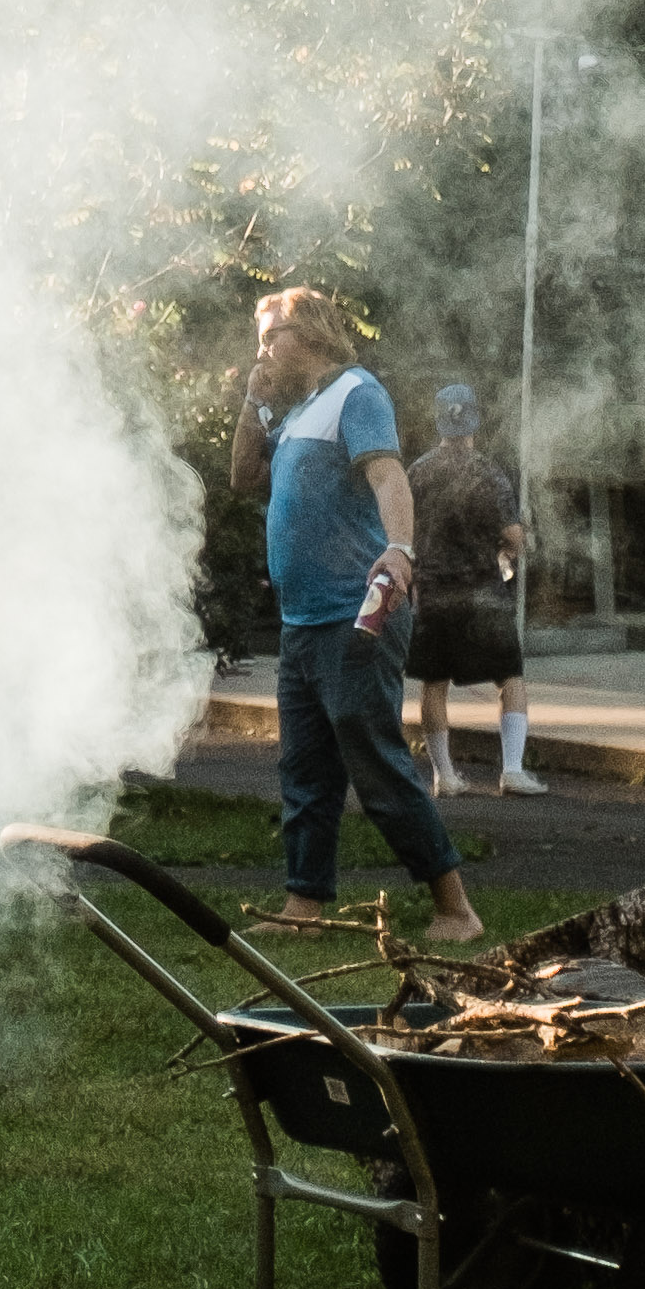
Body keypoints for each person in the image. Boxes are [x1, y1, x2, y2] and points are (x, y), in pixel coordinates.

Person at [225, 286, 487, 949]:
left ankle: (455, 909)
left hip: (355, 613)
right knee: (305, 771)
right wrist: (254, 401)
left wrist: (399, 551)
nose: (262, 351)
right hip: (303, 621)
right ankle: (302, 905)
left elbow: (387, 478)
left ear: (306, 332)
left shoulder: (355, 393)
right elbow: (240, 476)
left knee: (374, 763)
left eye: (269, 338)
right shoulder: (298, 412)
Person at [407, 379, 543, 803]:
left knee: (433, 683)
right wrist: (519, 545)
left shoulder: (417, 472)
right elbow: (513, 536)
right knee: (511, 678)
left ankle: (445, 775)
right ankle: (513, 771)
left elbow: (401, 529)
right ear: (475, 423)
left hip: (431, 592)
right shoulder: (488, 472)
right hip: (482, 592)